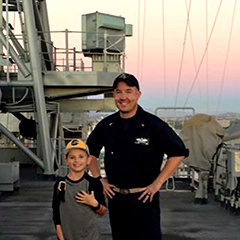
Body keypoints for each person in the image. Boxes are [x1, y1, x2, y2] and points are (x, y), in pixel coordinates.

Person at [86, 72, 189, 240]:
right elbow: (90, 152)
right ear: (114, 95)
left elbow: (177, 153)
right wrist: (98, 180)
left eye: (128, 91)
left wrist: (157, 184)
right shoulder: (107, 125)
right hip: (116, 199)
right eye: (118, 92)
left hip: (144, 199)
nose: (123, 97)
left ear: (137, 95)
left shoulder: (153, 124)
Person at [52, 139, 107, 240]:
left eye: (81, 157)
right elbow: (56, 214)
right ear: (66, 160)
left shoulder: (94, 183)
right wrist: (60, 237)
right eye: (72, 157)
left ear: (88, 160)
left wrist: (94, 204)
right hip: (67, 236)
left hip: (90, 237)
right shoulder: (60, 184)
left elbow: (103, 212)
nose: (77, 161)